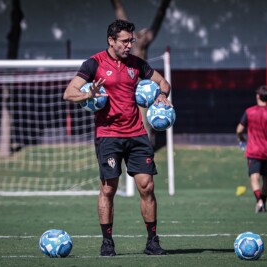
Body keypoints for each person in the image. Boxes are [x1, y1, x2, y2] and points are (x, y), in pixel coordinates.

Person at [63, 19, 171, 256]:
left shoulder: (137, 64)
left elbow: (163, 82)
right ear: (111, 41)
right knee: (109, 189)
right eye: (124, 41)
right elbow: (69, 93)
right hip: (108, 135)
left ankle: (152, 242)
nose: (129, 45)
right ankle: (107, 242)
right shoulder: (94, 64)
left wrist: (162, 95)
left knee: (147, 186)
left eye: (131, 41)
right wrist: (88, 94)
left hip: (137, 134)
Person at [236, 85, 267, 213]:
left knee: (254, 177)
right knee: (266, 178)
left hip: (254, 150)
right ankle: (264, 203)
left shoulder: (249, 111)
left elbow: (239, 129)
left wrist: (241, 138)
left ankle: (259, 201)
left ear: (257, 96)